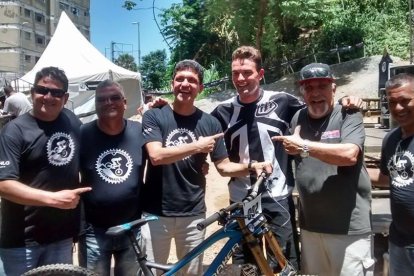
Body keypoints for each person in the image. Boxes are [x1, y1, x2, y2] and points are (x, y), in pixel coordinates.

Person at [211, 46, 363, 272]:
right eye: (235, 73)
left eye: (247, 73)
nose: (241, 78)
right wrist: (157, 107)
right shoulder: (222, 112)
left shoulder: (284, 101)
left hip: (277, 196)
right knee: (243, 265)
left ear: (260, 74)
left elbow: (319, 106)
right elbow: (194, 127)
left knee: (283, 262)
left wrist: (347, 100)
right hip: (241, 198)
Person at [141, 59, 271, 276]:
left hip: (193, 215)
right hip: (155, 214)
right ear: (172, 83)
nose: (185, 84)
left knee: (191, 273)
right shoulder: (154, 115)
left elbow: (224, 167)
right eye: (180, 79)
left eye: (192, 80)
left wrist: (252, 166)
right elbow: (156, 156)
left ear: (200, 88)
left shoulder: (210, 123)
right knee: (153, 273)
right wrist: (197, 146)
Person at [273, 63, 373, 276]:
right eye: (308, 87)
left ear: (334, 88)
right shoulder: (297, 119)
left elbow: (349, 155)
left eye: (322, 86)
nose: (315, 93)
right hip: (310, 228)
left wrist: (304, 147)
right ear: (302, 92)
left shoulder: (348, 114)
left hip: (348, 229)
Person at [0, 66, 91, 275]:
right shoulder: (14, 131)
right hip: (22, 240)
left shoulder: (71, 121)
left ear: (65, 97)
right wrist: (54, 199)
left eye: (56, 92)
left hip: (61, 236)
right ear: (32, 93)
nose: (48, 97)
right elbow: (3, 185)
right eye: (42, 90)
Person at [77, 79, 145, 276]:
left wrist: (200, 162)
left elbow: (163, 156)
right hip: (93, 231)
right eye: (102, 99)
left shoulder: (140, 132)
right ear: (95, 104)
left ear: (125, 103)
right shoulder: (82, 134)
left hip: (132, 228)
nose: (108, 103)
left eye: (114, 98)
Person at [368, 73, 414, 276]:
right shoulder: (392, 139)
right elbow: (389, 178)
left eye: (405, 101)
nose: (398, 108)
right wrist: (350, 168)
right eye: (392, 102)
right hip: (400, 240)